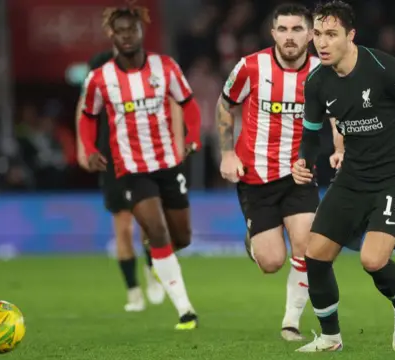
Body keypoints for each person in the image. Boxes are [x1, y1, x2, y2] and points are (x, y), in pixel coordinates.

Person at [291, 0, 395, 352]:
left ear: (350, 36)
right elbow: (311, 134)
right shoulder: (317, 82)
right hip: (352, 176)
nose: (322, 42)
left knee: (372, 260)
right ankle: (331, 338)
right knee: (314, 254)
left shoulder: (382, 68)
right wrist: (303, 161)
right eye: (317, 33)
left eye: (331, 34)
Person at [77, 5, 201, 330]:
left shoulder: (166, 67)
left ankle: (155, 257)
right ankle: (185, 309)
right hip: (130, 168)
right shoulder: (100, 77)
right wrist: (89, 149)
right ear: (111, 34)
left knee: (182, 237)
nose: (127, 36)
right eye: (120, 31)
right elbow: (88, 116)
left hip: (167, 163)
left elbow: (188, 103)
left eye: (132, 29)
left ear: (141, 30)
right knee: (155, 230)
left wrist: (192, 136)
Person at [217, 3, 324, 342]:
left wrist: (338, 148)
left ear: (309, 34)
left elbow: (338, 114)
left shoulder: (323, 71)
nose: (289, 37)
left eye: (296, 30)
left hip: (299, 174)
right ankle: (255, 242)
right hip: (255, 177)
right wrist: (226, 152)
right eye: (283, 29)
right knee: (271, 262)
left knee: (306, 246)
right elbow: (224, 105)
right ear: (273, 33)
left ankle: (290, 323)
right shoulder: (250, 67)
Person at [75, 47, 174, 313]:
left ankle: (152, 269)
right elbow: (84, 105)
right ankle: (133, 291)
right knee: (123, 225)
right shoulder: (99, 64)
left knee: (148, 220)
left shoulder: (147, 65)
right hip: (111, 155)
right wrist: (82, 146)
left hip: (145, 152)